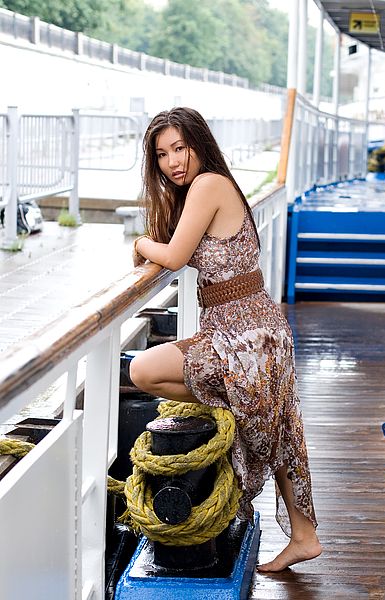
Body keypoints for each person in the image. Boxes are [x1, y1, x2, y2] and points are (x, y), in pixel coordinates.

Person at [129, 106, 322, 572]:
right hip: (245, 328)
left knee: (142, 369)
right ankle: (304, 535)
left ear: (200, 143)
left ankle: (232, 405)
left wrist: (140, 244)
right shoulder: (208, 186)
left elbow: (173, 256)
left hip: (246, 335)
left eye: (180, 148)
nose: (173, 161)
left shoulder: (209, 184)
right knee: (279, 426)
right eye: (161, 155)